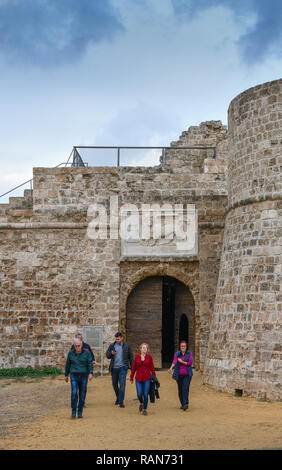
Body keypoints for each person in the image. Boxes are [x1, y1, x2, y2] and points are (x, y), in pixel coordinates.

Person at [65, 338, 93, 419]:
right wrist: (66, 375)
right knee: (74, 393)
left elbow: (90, 363)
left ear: (81, 345)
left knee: (82, 394)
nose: (77, 347)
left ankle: (80, 412)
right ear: (74, 346)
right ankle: (73, 412)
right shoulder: (71, 353)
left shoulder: (87, 353)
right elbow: (68, 364)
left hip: (84, 375)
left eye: (79, 346)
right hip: (74, 375)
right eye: (76, 346)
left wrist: (90, 373)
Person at [106, 332, 134, 408]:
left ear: (122, 338)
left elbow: (131, 357)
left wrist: (133, 368)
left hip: (123, 368)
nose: (117, 340)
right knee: (114, 384)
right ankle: (118, 397)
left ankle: (121, 402)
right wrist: (111, 353)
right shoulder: (112, 346)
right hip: (114, 368)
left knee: (122, 384)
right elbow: (107, 355)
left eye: (118, 339)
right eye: (116, 339)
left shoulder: (126, 346)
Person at [70, 332, 97, 408]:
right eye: (78, 338)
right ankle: (75, 402)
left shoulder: (87, 346)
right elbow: (70, 357)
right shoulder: (73, 347)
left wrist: (93, 361)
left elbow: (91, 356)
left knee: (83, 388)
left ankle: (82, 402)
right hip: (75, 371)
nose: (79, 340)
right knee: (75, 389)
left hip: (84, 371)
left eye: (80, 339)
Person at [130, 343, 156, 416]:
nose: (144, 349)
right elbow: (133, 369)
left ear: (147, 350)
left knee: (145, 394)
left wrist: (154, 377)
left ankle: (144, 409)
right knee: (139, 394)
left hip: (147, 378)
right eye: (143, 348)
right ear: (140, 349)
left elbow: (152, 369)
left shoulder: (149, 358)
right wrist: (131, 377)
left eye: (146, 348)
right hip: (138, 378)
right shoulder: (137, 357)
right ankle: (141, 402)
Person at [168, 340, 193, 411]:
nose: (183, 347)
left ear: (186, 346)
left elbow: (190, 363)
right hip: (179, 375)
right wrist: (171, 368)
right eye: (182, 346)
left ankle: (185, 403)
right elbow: (174, 361)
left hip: (187, 374)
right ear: (180, 346)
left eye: (184, 346)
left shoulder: (189, 353)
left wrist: (182, 362)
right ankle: (183, 404)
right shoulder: (177, 354)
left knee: (185, 388)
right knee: (180, 389)